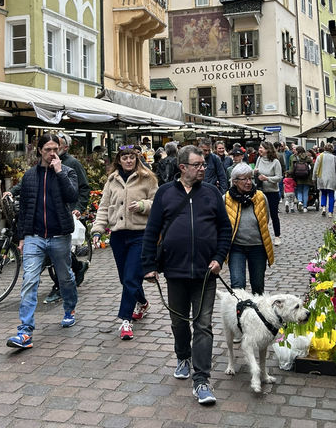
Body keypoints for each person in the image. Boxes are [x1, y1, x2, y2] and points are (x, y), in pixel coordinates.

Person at [141, 145, 231, 406]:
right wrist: (148, 265)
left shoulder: (213, 193)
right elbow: (152, 230)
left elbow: (225, 230)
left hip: (206, 273)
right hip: (175, 271)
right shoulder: (165, 194)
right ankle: (183, 355)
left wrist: (219, 257)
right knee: (180, 322)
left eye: (204, 164)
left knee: (203, 325)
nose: (203, 168)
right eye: (198, 165)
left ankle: (201, 379)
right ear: (183, 168)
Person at [6, 133, 79, 349]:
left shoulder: (67, 171)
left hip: (59, 236)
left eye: (55, 149)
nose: (52, 153)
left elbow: (72, 196)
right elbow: (26, 209)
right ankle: (25, 331)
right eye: (47, 149)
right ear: (39, 151)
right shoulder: (29, 176)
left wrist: (59, 173)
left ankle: (69, 307)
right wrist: (21, 236)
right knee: (29, 280)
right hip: (34, 237)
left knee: (65, 277)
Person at [92, 145, 158, 340]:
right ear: (118, 160)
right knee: (125, 279)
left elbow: (159, 203)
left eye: (131, 157)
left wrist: (143, 205)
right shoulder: (112, 181)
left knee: (130, 278)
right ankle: (142, 302)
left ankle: (125, 320)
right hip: (118, 236)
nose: (128, 160)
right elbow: (104, 207)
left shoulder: (148, 178)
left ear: (136, 159)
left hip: (140, 235)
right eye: (124, 157)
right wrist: (97, 229)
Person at [43, 132, 91, 304]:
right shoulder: (43, 165)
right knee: (60, 255)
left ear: (65, 147)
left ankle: (59, 286)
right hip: (50, 216)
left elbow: (84, 188)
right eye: (49, 147)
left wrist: (78, 208)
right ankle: (79, 267)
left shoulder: (72, 164)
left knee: (59, 255)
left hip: (67, 215)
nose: (53, 151)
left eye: (57, 146)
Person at [224, 163, 274, 295]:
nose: (248, 182)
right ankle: (239, 313)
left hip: (257, 246)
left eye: (250, 178)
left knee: (258, 286)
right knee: (237, 285)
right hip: (236, 247)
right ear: (235, 181)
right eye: (244, 179)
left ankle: (256, 314)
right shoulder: (226, 199)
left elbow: (266, 219)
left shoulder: (260, 197)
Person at [254, 141, 283, 245]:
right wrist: (255, 172)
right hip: (261, 192)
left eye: (261, 148)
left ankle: (277, 236)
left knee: (274, 214)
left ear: (267, 150)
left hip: (272, 192)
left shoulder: (275, 162)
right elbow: (256, 173)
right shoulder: (259, 159)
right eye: (259, 148)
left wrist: (267, 178)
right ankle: (262, 236)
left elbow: (279, 177)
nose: (259, 149)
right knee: (261, 215)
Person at [312, 143, 336, 217]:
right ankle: (330, 212)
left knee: (323, 194)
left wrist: (314, 178)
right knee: (331, 195)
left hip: (321, 178)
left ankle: (324, 208)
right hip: (331, 178)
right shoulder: (334, 157)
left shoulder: (320, 156)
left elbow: (315, 168)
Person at [288, 145, 313, 212]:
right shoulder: (307, 157)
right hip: (307, 177)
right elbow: (312, 166)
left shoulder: (295, 158)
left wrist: (291, 174)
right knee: (305, 191)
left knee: (299, 190)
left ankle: (300, 201)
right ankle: (305, 207)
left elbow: (292, 168)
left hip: (298, 177)